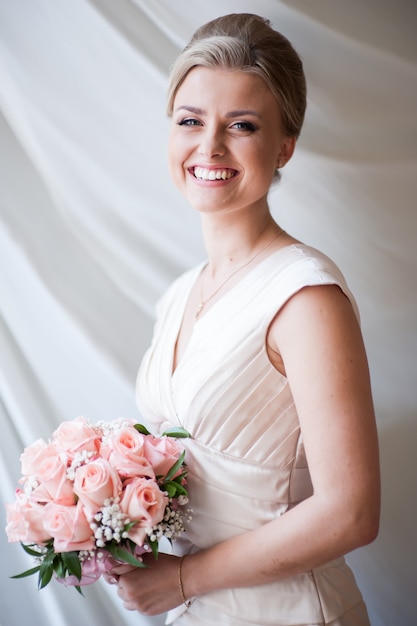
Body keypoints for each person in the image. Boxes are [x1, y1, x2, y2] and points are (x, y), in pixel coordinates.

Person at [104, 13, 380, 625]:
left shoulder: (305, 296)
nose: (210, 147)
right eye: (190, 121)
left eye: (242, 126)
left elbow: (352, 512)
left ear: (285, 145)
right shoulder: (178, 295)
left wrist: (181, 578)